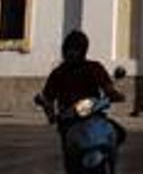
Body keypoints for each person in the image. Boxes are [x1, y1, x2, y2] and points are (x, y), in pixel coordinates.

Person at [40, 30, 126, 173]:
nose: (72, 52)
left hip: (92, 114)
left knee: (120, 132)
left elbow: (107, 86)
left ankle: (111, 163)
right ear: (64, 49)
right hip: (69, 119)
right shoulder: (58, 73)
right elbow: (48, 96)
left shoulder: (94, 68)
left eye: (77, 48)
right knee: (70, 159)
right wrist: (49, 111)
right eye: (69, 48)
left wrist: (115, 95)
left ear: (83, 50)